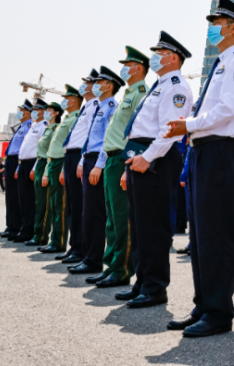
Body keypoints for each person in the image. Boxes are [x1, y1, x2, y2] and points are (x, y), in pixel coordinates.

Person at [164, 0, 234, 337]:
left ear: (233, 27)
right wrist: (191, 130)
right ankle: (203, 304)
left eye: (217, 22)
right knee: (201, 235)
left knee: (216, 235)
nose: (212, 27)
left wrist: (187, 125)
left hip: (222, 152)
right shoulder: (221, 64)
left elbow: (229, 109)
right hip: (204, 151)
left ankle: (219, 312)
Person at [119, 31, 193, 307]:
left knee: (154, 225)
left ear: (172, 57)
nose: (154, 57)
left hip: (157, 158)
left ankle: (155, 288)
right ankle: (142, 282)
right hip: (142, 156)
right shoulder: (160, 85)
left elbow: (171, 131)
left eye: (159, 53)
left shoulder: (175, 86)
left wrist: (148, 158)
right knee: (139, 225)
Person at [90, 47, 150, 289]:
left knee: (122, 217)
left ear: (137, 67)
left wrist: (128, 165)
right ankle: (111, 265)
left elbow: (138, 130)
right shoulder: (128, 93)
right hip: (112, 159)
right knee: (112, 219)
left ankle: (122, 269)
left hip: (123, 159)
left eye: (128, 64)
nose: (124, 68)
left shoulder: (140, 93)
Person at [69, 66, 124, 275]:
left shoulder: (111, 106)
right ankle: (88, 257)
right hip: (89, 159)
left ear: (109, 86)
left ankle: (94, 260)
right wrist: (83, 161)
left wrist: (99, 164)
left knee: (96, 213)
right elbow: (90, 140)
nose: (95, 86)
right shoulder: (100, 107)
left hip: (99, 161)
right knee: (88, 212)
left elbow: (107, 140)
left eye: (99, 83)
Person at [59, 72, 98, 265]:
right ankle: (75, 246)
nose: (84, 87)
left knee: (82, 206)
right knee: (73, 206)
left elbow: (92, 135)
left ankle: (81, 248)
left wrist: (82, 159)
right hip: (71, 155)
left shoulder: (96, 106)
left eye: (88, 83)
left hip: (81, 156)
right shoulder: (87, 106)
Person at [39, 85, 82, 255]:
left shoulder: (76, 118)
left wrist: (63, 168)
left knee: (61, 206)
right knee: (55, 204)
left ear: (75, 101)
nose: (64, 101)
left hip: (63, 162)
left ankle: (60, 242)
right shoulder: (66, 119)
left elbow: (68, 146)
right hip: (54, 163)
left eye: (67, 98)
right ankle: (56, 241)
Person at [15, 100, 49, 239]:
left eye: (36, 109)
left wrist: (34, 168)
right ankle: (23, 229)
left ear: (43, 112)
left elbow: (42, 149)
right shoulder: (33, 125)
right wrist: (19, 166)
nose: (34, 112)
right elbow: (24, 149)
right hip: (23, 164)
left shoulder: (43, 126)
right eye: (33, 109)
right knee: (22, 199)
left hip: (32, 164)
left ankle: (29, 231)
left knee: (30, 200)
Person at [0, 101, 32, 239]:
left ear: (29, 112)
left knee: (19, 197)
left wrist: (19, 164)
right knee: (10, 195)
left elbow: (25, 147)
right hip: (10, 160)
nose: (20, 112)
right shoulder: (21, 127)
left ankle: (17, 227)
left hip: (18, 161)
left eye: (23, 110)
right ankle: (11, 225)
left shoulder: (30, 126)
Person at [31, 103, 61, 246]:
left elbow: (51, 151)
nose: (46, 113)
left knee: (45, 203)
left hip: (46, 165)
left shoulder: (55, 129)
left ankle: (41, 235)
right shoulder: (47, 128)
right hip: (40, 163)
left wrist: (46, 172)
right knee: (38, 202)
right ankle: (37, 233)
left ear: (56, 113)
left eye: (49, 111)